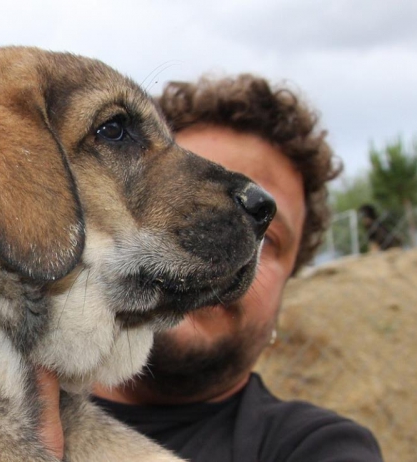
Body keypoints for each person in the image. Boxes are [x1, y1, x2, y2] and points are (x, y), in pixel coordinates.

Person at [37, 74, 383, 461]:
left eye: (266, 239)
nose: (224, 247)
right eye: (183, 195)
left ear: (289, 287)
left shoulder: (314, 446)